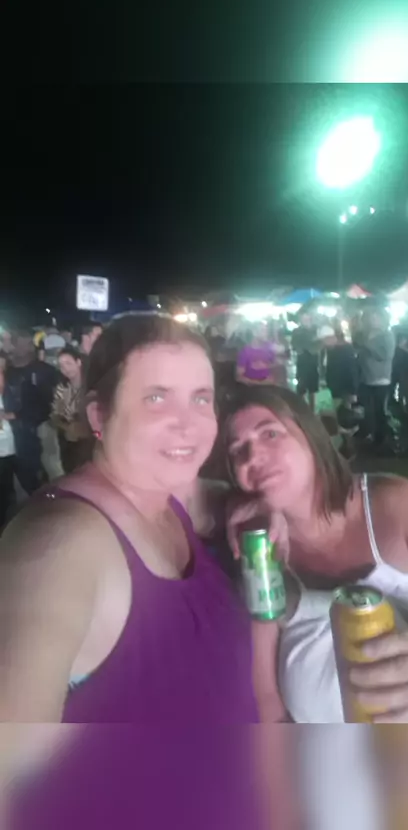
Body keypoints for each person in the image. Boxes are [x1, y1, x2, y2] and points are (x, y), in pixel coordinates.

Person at [1, 314, 269, 830]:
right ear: (98, 414)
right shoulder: (59, 544)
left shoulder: (168, 499)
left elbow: (213, 500)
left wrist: (254, 506)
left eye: (201, 398)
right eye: (156, 398)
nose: (188, 423)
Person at [222, 384, 408, 725]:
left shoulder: (390, 506)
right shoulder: (260, 552)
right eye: (238, 450)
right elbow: (267, 701)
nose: (253, 457)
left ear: (311, 435)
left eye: (270, 433)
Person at [3, 330, 60, 493]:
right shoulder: (7, 372)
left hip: (38, 434)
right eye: (13, 343)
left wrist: (16, 415)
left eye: (16, 343)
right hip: (12, 437)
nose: (12, 347)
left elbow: (49, 406)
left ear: (29, 347)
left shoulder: (45, 371)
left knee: (42, 480)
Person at [355, 307, 395, 445]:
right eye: (371, 318)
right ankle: (369, 434)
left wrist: (367, 345)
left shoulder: (387, 336)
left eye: (376, 317)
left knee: (379, 411)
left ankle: (381, 438)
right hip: (365, 378)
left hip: (381, 379)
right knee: (367, 410)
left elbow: (385, 355)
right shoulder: (364, 335)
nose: (373, 321)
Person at [51, 348, 93, 473]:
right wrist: (67, 427)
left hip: (90, 442)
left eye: (68, 363)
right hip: (69, 442)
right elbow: (55, 415)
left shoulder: (92, 387)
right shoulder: (62, 388)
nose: (65, 369)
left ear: (78, 362)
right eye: (61, 366)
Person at [291, 313, 319, 412]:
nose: (306, 321)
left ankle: (312, 410)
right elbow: (294, 345)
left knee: (313, 389)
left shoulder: (315, 330)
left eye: (307, 319)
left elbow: (318, 345)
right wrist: (302, 349)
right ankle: (302, 410)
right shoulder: (297, 331)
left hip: (313, 364)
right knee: (301, 388)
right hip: (302, 363)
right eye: (304, 319)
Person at [0, 353, 16, 528]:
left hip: (13, 445)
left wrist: (11, 415)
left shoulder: (14, 388)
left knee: (7, 486)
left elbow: (29, 409)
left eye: (2, 369)